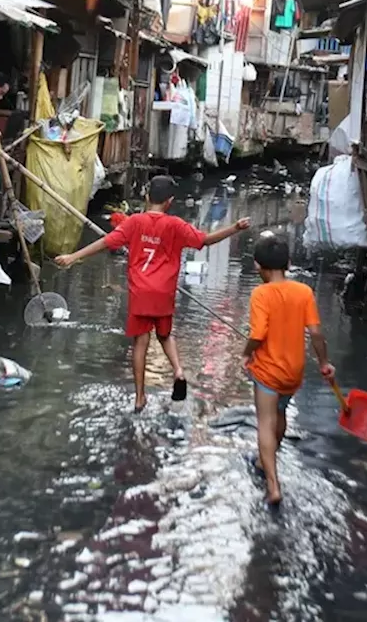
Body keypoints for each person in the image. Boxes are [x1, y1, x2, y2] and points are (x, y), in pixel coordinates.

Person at [55, 175, 250, 412]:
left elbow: (106, 242)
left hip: (141, 292)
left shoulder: (134, 222)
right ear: (169, 202)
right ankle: (178, 370)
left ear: (147, 197)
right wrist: (235, 227)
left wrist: (73, 257)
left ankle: (139, 397)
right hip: (164, 292)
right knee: (165, 335)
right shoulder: (176, 225)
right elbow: (206, 241)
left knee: (141, 342)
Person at [241, 231, 334, 508]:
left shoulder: (260, 293)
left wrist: (246, 354)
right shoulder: (304, 292)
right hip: (294, 372)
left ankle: (272, 483)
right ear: (289, 262)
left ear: (257, 265)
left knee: (265, 423)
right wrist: (324, 363)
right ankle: (265, 459)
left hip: (268, 372)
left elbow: (258, 333)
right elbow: (316, 333)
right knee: (280, 414)